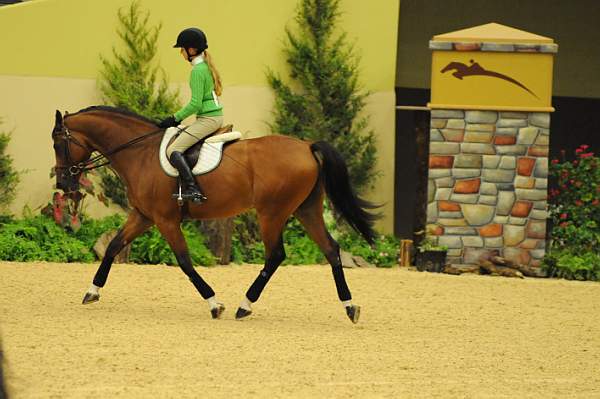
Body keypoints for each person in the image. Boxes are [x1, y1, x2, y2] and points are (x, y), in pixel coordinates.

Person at [158, 27, 224, 203]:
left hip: (208, 119)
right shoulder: (205, 67)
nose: (181, 53)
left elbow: (195, 103)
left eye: (182, 49)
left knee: (173, 149)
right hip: (213, 117)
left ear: (192, 50)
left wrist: (174, 118)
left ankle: (193, 190)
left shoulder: (197, 71)